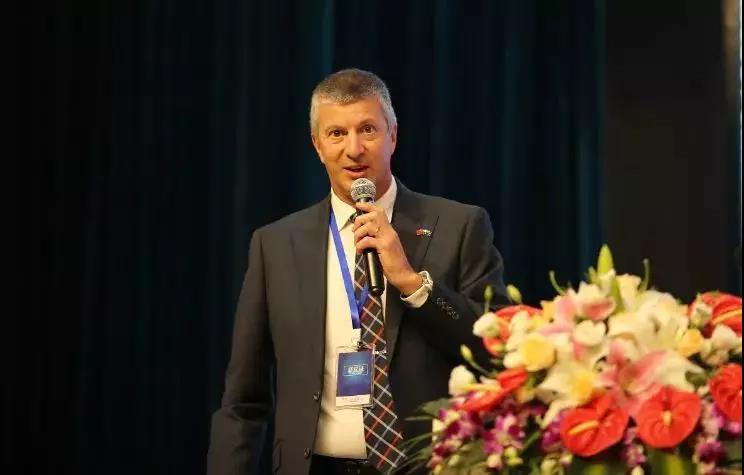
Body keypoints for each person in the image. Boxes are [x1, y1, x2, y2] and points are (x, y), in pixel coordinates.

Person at [207, 68, 508, 475]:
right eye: (337, 134)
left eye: (368, 130)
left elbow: (494, 350)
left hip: (428, 466)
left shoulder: (459, 226)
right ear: (317, 145)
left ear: (393, 136)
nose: (354, 149)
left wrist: (413, 283)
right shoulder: (276, 244)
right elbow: (244, 399)